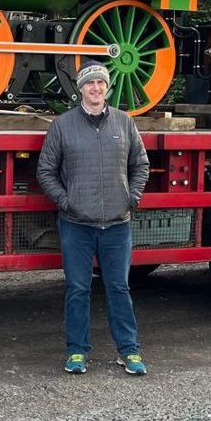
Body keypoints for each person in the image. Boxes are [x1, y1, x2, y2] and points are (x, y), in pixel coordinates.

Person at [36, 62, 151, 375]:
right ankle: (77, 351)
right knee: (77, 289)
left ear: (107, 87)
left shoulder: (125, 123)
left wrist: (132, 197)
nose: (96, 88)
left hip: (117, 223)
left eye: (101, 82)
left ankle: (128, 350)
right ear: (80, 88)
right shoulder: (62, 125)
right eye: (90, 83)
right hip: (76, 225)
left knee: (119, 288)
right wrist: (66, 201)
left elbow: (141, 165)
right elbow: (45, 170)